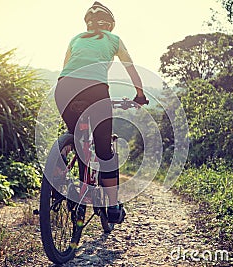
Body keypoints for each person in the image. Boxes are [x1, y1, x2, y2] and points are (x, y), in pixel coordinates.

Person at [54, 1, 148, 223]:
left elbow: (66, 67)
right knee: (104, 150)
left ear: (88, 24)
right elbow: (130, 68)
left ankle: (57, 174)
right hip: (95, 90)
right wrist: (140, 95)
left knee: (75, 136)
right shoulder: (114, 40)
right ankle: (113, 206)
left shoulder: (76, 39)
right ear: (110, 25)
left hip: (64, 87)